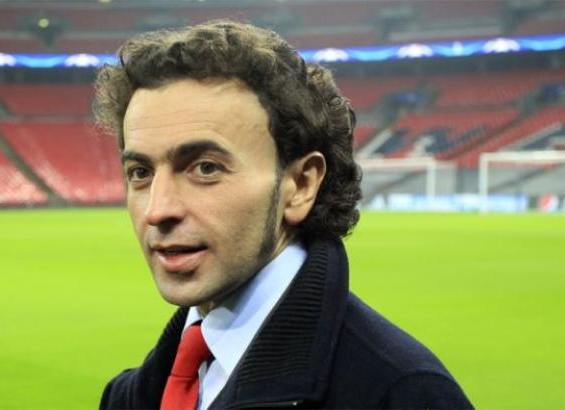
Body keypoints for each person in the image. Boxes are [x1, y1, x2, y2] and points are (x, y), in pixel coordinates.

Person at [94, 20, 473, 410]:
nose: (158, 210)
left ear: (301, 184)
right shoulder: (129, 397)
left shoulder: (403, 395)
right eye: (140, 172)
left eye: (205, 168)